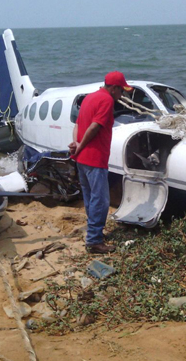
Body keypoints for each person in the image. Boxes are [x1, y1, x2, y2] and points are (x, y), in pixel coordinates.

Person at [69, 71, 132, 254]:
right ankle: (95, 240)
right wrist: (81, 147)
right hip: (95, 158)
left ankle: (94, 233)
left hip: (82, 160)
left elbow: (78, 125)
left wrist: (76, 144)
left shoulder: (90, 97)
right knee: (102, 200)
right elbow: (95, 126)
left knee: (90, 198)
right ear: (113, 89)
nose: (122, 95)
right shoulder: (106, 101)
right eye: (121, 91)